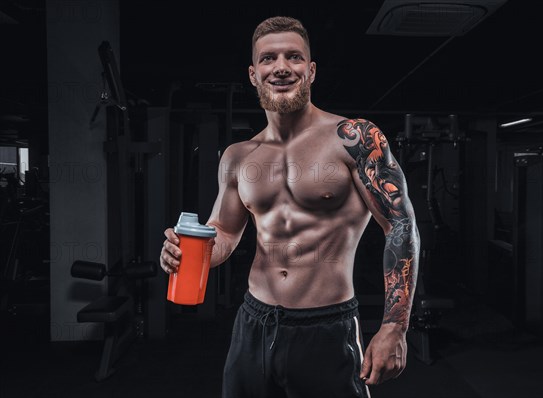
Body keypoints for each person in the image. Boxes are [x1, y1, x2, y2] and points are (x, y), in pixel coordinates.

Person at [160, 16, 420, 398]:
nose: (281, 67)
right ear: (253, 74)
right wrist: (188, 250)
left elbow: (400, 225)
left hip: (327, 327)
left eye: (293, 57)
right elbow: (227, 232)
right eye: (268, 59)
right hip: (254, 323)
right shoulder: (238, 156)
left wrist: (395, 326)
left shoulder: (354, 138)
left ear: (310, 71)